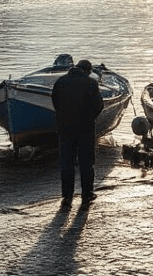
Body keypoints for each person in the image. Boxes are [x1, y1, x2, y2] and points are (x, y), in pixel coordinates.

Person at [50, 58, 103, 208]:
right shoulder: (91, 83)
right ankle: (87, 195)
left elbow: (55, 102)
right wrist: (90, 117)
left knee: (67, 162)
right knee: (86, 162)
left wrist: (62, 117)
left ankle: (67, 197)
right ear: (87, 71)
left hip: (65, 128)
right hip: (85, 128)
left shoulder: (60, 82)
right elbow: (98, 105)